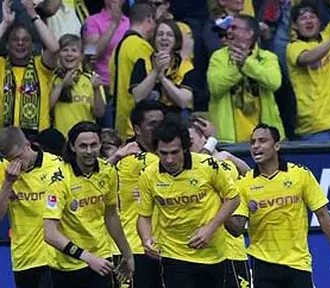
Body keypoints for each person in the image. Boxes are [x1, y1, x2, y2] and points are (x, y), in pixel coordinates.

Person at [225, 123, 330, 288]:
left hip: (297, 264)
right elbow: (237, 229)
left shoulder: (300, 174)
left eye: (262, 141)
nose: (256, 146)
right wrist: (222, 208)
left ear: (277, 146)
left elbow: (323, 215)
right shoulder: (244, 184)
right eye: (252, 142)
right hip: (263, 265)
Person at [137, 115, 240, 288]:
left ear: (185, 148)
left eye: (174, 152)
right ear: (156, 151)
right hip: (174, 254)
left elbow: (233, 198)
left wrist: (210, 229)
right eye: (163, 153)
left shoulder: (208, 166)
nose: (169, 159)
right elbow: (144, 216)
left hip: (212, 253)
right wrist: (146, 239)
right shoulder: (148, 174)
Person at [43, 121, 134, 288]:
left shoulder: (108, 172)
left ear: (100, 144)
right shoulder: (58, 179)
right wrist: (88, 258)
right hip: (67, 266)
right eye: (83, 146)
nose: (89, 151)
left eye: (94, 145)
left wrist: (127, 254)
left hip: (101, 259)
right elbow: (50, 233)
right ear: (72, 147)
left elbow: (111, 215)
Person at [187, 117, 250, 288]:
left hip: (232, 252)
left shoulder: (226, 164)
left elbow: (251, 176)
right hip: (201, 254)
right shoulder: (187, 169)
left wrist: (229, 156)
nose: (187, 147)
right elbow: (197, 165)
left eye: (190, 141)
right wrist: (213, 142)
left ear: (203, 138)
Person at [0, 127, 62, 288]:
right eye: (10, 159)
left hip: (53, 256)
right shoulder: (3, 170)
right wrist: (8, 183)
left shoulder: (56, 165)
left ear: (28, 145)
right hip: (23, 258)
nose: (16, 163)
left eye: (18, 157)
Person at [208, 14, 284, 143]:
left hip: (265, 139)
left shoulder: (267, 57)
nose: (229, 31)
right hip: (229, 139)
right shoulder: (218, 57)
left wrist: (246, 63)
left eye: (234, 27)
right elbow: (215, 86)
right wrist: (239, 67)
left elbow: (274, 82)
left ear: (249, 33)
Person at [286, 2, 330, 141]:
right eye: (303, 18)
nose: (309, 21)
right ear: (294, 26)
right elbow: (308, 58)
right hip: (314, 128)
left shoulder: (327, 35)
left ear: (319, 21)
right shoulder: (293, 48)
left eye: (312, 17)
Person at [116, 100, 164, 288]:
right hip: (137, 248)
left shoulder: (157, 156)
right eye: (152, 124)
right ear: (137, 129)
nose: (159, 129)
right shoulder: (138, 159)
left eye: (162, 123)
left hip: (157, 246)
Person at [0, 0, 59, 139]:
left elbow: (55, 48)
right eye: (15, 39)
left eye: (25, 39)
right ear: (7, 45)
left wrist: (33, 15)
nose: (20, 43)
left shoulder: (41, 66)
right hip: (4, 138)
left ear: (33, 45)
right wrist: (6, 23)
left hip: (37, 138)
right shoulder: (1, 65)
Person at [109, 3, 156, 140]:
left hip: (120, 122)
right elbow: (147, 86)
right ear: (149, 19)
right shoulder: (141, 46)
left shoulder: (119, 46)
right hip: (135, 124)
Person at [83, 0, 131, 128]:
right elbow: (93, 53)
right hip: (103, 87)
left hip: (127, 88)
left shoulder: (129, 22)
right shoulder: (92, 21)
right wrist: (113, 24)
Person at [130, 19, 195, 113]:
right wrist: (155, 72)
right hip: (148, 118)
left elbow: (183, 102)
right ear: (154, 39)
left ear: (176, 40)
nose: (164, 38)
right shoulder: (142, 62)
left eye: (169, 35)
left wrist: (162, 78)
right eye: (160, 34)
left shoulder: (185, 66)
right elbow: (138, 97)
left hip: (175, 119)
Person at [51, 34, 106, 138]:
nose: (69, 54)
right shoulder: (52, 78)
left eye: (74, 50)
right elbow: (46, 107)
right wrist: (62, 85)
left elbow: (100, 113)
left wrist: (96, 89)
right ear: (58, 54)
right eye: (65, 50)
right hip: (59, 138)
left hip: (85, 140)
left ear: (81, 56)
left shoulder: (91, 78)